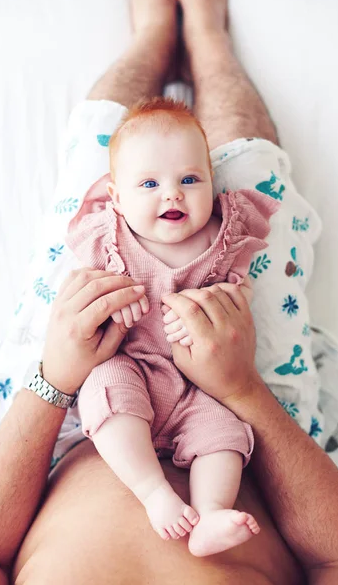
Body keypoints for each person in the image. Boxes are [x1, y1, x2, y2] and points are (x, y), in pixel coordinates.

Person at [0, 0, 338, 583]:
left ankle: (155, 37)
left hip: (68, 397)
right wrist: (242, 389)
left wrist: (55, 375)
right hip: (242, 399)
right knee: (250, 167)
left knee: (100, 151)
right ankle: (207, 39)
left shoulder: (104, 227)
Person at [66, 96, 276, 553]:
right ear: (117, 198)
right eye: (149, 183)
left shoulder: (225, 235)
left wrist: (223, 301)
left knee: (223, 434)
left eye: (189, 179)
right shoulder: (109, 238)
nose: (172, 194)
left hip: (199, 384)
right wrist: (109, 304)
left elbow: (240, 292)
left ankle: (212, 513)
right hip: (134, 367)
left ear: (211, 183)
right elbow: (87, 293)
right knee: (104, 389)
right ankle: (153, 492)